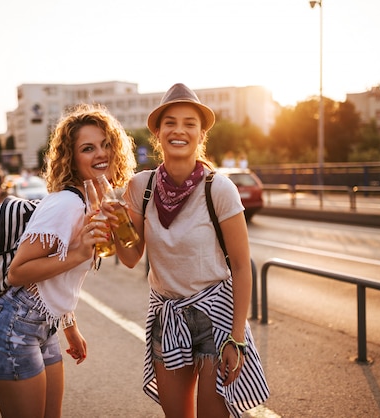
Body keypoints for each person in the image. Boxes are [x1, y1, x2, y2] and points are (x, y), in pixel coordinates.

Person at [107, 83, 269, 417]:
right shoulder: (142, 187)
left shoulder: (219, 188)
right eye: (170, 123)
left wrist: (237, 338)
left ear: (200, 135)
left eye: (189, 123)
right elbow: (131, 258)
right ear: (158, 132)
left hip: (216, 317)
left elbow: (241, 266)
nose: (179, 130)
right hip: (167, 316)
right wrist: (116, 223)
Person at [0, 103, 137, 418]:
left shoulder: (96, 202)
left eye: (106, 145)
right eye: (88, 148)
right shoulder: (66, 204)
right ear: (72, 158)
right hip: (12, 327)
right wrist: (79, 253)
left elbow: (57, 278)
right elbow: (17, 271)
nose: (101, 153)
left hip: (44, 326)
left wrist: (69, 325)